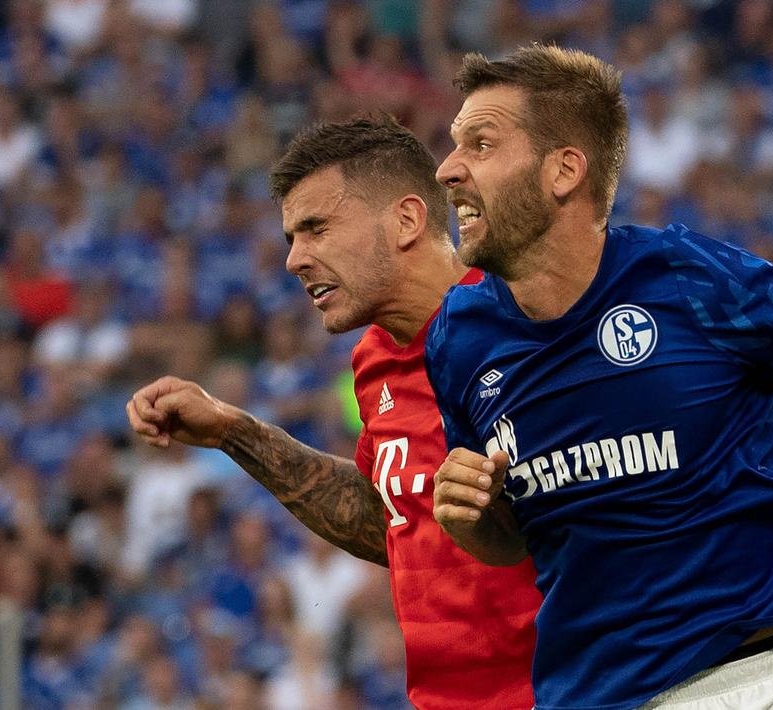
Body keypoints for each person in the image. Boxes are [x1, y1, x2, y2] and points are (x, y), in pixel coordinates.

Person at [426, 44, 773, 709]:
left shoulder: (699, 280)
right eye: (452, 145)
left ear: (563, 171)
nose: (446, 169)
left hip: (745, 685)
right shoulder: (458, 339)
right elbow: (514, 540)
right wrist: (469, 517)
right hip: (582, 696)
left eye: (480, 144)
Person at [127, 116, 539, 709]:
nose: (295, 259)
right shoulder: (373, 360)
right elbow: (393, 523)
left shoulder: (525, 326)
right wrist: (233, 432)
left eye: (317, 229)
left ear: (406, 219)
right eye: (293, 237)